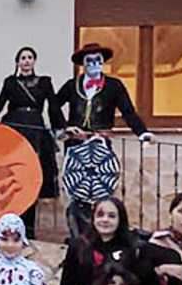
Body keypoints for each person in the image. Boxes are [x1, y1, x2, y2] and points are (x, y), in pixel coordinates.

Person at [56, 42, 153, 238]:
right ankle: (79, 235)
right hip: (76, 145)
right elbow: (54, 105)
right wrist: (65, 127)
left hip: (100, 144)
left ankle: (101, 234)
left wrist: (142, 133)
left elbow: (128, 112)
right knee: (76, 191)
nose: (93, 64)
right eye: (89, 61)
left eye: (97, 61)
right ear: (83, 64)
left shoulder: (114, 86)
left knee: (102, 188)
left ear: (103, 63)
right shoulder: (71, 85)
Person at [0, 46, 64, 237]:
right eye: (22, 58)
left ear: (34, 61)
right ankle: (8, 227)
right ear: (17, 62)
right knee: (12, 175)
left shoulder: (45, 82)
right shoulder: (10, 82)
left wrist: (60, 127)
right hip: (14, 127)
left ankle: (29, 230)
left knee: (31, 174)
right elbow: (0, 104)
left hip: (35, 129)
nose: (26, 61)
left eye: (29, 57)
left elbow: (53, 106)